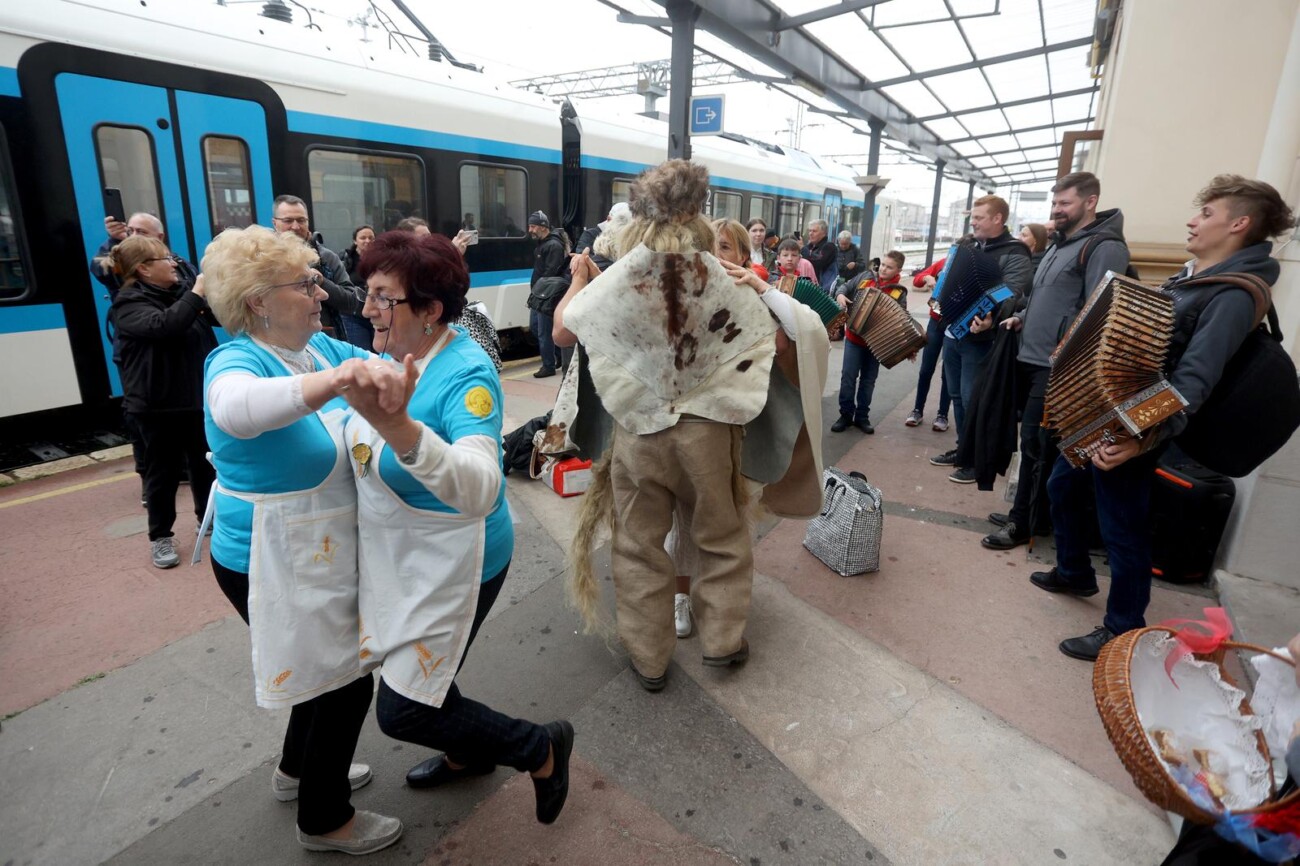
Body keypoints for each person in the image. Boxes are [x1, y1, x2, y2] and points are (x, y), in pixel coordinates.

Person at [555, 161, 826, 692]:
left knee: (637, 543)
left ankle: (649, 656)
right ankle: (723, 641)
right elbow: (783, 336)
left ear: (643, 216)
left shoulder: (624, 274)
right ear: (699, 215)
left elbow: (564, 333)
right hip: (711, 430)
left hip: (640, 429)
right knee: (721, 537)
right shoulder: (726, 274)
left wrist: (581, 280)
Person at [344, 230, 573, 824]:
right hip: (410, 554)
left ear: (430, 311)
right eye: (367, 293)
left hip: (460, 559)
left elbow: (481, 485)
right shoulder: (392, 353)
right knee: (429, 684)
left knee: (403, 710)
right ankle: (469, 753)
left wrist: (399, 429)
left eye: (381, 297)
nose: (366, 308)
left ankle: (540, 747)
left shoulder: (466, 373)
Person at [1031, 175, 1293, 661]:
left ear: (1240, 223)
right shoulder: (1193, 276)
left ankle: (1122, 627)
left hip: (1140, 427)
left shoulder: (1235, 294)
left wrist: (1141, 440)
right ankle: (1073, 572)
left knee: (1122, 525)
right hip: (1118, 413)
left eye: (1207, 214)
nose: (1193, 221)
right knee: (1062, 486)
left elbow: (1193, 382)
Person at [201, 225, 401, 854]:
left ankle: (296, 773)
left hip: (306, 549)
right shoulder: (236, 359)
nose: (322, 293)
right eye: (305, 284)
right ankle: (324, 820)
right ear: (259, 300)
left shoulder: (310, 350)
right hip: (267, 556)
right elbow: (236, 409)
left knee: (320, 671)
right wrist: (340, 383)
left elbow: (382, 369)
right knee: (344, 683)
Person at [982, 173, 1129, 549]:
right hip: (1031, 357)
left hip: (1058, 367)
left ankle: (1024, 523)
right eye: (1055, 204)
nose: (1057, 210)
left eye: (1064, 203)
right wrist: (1023, 316)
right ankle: (1028, 511)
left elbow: (1101, 310)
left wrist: (1067, 351)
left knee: (1037, 445)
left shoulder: (1104, 247)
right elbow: (1047, 298)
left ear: (1090, 201)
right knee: (1032, 442)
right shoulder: (1062, 244)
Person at [668, 217, 794, 638]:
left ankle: (720, 599)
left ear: (743, 256)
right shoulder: (684, 289)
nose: (714, 256)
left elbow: (785, 341)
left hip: (737, 430)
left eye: (724, 248)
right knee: (682, 520)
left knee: (730, 521)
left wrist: (760, 289)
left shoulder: (753, 295)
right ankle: (680, 596)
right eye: (707, 247)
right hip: (688, 426)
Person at [103, 236, 217, 568]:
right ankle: (161, 537)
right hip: (156, 406)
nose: (174, 263)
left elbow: (214, 319)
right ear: (143, 269)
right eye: (165, 259)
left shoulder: (179, 294)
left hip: (194, 398)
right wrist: (196, 292)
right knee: (162, 475)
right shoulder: (128, 302)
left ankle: (206, 520)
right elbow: (165, 326)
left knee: (203, 464)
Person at [930, 194, 1032, 484]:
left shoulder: (1016, 252)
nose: (972, 222)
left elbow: (1011, 293)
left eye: (979, 217)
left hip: (982, 338)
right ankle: (964, 449)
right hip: (953, 332)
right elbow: (952, 279)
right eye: (972, 217)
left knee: (974, 398)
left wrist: (991, 318)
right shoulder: (968, 246)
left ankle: (976, 460)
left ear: (998, 218)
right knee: (956, 396)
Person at [270, 195, 367, 349]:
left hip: (323, 344)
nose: (295, 226)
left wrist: (321, 282)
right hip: (276, 343)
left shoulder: (327, 258)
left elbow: (351, 302)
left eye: (301, 220)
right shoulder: (263, 260)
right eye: (288, 221)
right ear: (275, 223)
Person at [830, 250, 908, 435]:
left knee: (868, 380)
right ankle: (846, 415)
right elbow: (844, 287)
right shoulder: (866, 276)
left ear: (898, 269)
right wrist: (840, 296)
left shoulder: (899, 292)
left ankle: (862, 417)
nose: (883, 269)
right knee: (848, 377)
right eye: (883, 265)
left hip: (875, 344)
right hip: (854, 337)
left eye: (889, 267)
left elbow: (901, 318)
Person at [904, 258, 952, 431]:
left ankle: (943, 414)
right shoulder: (945, 262)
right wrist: (927, 278)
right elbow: (917, 279)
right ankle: (917, 410)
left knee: (948, 372)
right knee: (926, 369)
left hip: (956, 323)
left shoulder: (973, 266)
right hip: (936, 321)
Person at [527, 210, 567, 378]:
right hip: (540, 294)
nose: (530, 230)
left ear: (543, 227)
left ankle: (548, 366)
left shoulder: (553, 246)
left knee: (543, 331)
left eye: (533, 226)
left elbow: (551, 272)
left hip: (545, 296)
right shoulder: (544, 244)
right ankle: (556, 355)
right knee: (536, 328)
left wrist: (540, 291)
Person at [801, 218, 837, 293]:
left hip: (822, 289)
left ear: (823, 233)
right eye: (810, 231)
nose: (810, 233)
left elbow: (818, 262)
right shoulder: (809, 247)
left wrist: (802, 248)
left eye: (814, 231)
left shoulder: (829, 247)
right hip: (806, 286)